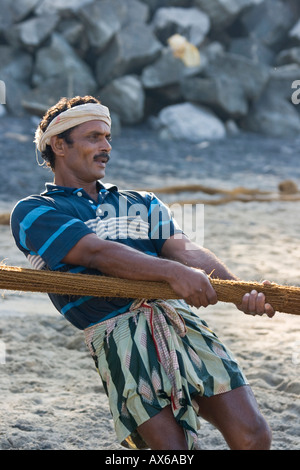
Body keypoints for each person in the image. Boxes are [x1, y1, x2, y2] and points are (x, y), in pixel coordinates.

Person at [11, 95, 274, 451]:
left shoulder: (143, 203)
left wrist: (238, 288)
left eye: (107, 137)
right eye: (94, 137)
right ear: (59, 145)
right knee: (174, 452)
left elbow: (185, 250)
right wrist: (171, 272)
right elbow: (97, 252)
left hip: (178, 319)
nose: (106, 147)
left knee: (254, 435)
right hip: (117, 335)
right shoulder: (34, 212)